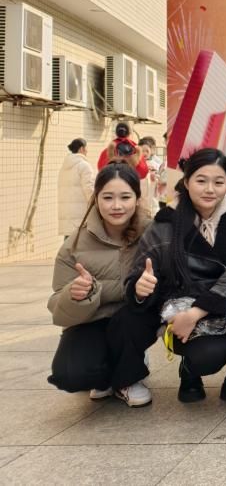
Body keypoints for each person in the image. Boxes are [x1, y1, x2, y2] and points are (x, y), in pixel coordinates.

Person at [123, 148, 226, 409]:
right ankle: (189, 372)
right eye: (201, 180)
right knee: (209, 356)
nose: (210, 189)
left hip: (223, 306)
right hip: (181, 313)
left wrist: (197, 312)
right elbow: (140, 271)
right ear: (187, 181)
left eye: (218, 182)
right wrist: (139, 286)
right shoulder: (165, 223)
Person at [48, 163, 156, 406]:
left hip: (135, 318)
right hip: (93, 319)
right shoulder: (74, 244)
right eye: (108, 197)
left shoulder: (152, 233)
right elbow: (57, 307)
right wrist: (74, 295)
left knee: (129, 322)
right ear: (96, 198)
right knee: (71, 375)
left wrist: (144, 290)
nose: (116, 206)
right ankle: (107, 373)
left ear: (137, 198)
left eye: (125, 197)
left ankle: (129, 376)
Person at [58, 138, 95, 241]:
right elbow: (89, 189)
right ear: (81, 149)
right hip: (80, 211)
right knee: (81, 242)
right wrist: (95, 204)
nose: (87, 151)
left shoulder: (64, 167)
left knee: (69, 240)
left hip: (66, 211)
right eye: (86, 148)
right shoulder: (84, 166)